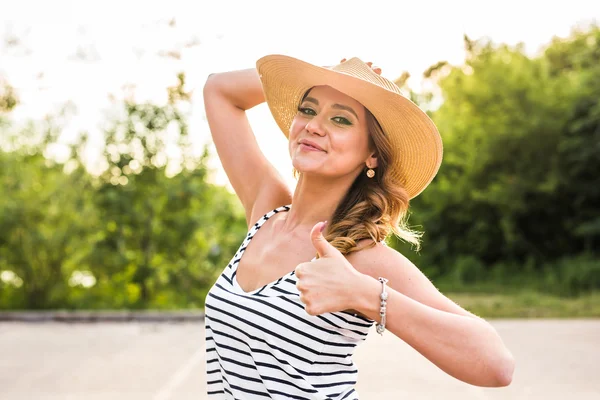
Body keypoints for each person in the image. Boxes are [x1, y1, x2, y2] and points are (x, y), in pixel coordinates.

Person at [202, 55, 515, 399]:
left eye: (340, 119)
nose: (313, 125)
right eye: (307, 110)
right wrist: (324, 72)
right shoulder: (267, 209)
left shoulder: (359, 257)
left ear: (372, 156)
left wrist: (366, 295)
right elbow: (219, 90)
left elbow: (496, 364)